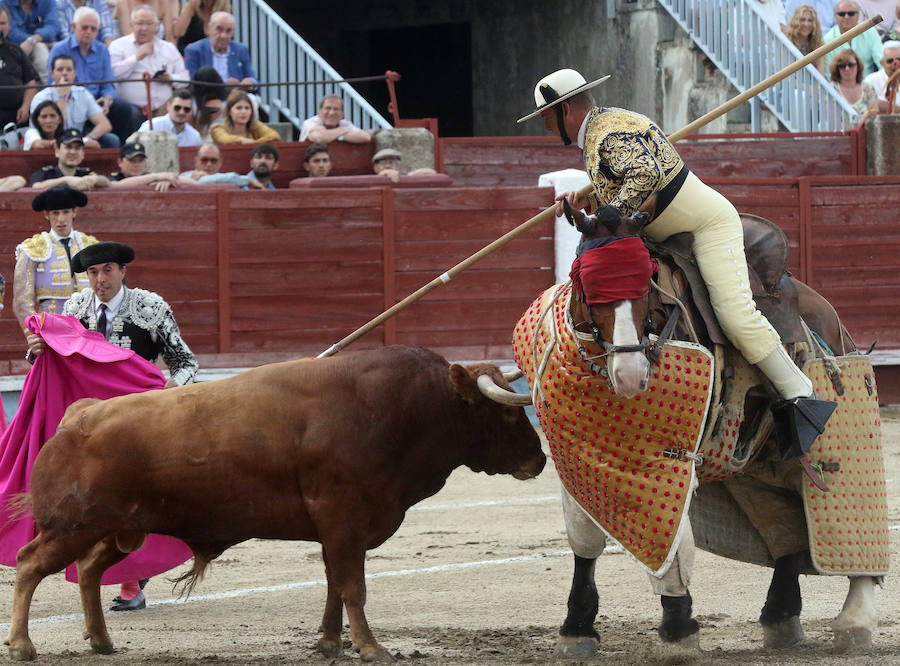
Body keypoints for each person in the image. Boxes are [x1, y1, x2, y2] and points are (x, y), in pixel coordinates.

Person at [518, 68, 834, 455]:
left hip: (706, 227)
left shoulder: (608, 136)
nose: (547, 127)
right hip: (664, 233)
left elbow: (645, 174)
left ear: (565, 109)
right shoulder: (605, 128)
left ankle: (801, 395)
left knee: (737, 315)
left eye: (547, 117)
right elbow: (627, 187)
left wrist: (606, 216)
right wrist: (592, 205)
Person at [25, 239, 198, 611]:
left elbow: (185, 363)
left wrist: (173, 388)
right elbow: (53, 359)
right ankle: (124, 574)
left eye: (106, 271)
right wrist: (35, 351)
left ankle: (131, 578)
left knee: (140, 495)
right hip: (92, 423)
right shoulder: (75, 307)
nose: (99, 279)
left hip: (141, 418)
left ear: (123, 271)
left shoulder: (150, 307)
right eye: (92, 273)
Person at [13, 185, 98, 331]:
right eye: (55, 213)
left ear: (74, 212)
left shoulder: (91, 246)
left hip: (89, 326)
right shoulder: (32, 249)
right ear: (46, 214)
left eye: (65, 212)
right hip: (50, 328)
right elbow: (22, 301)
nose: (60, 219)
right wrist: (34, 334)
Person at [48, 6, 135, 144]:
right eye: (84, 27)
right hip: (71, 101)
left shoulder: (102, 50)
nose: (88, 32)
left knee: (123, 108)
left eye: (93, 29)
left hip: (97, 102)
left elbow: (108, 84)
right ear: (74, 26)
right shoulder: (59, 49)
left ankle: (123, 152)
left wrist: (107, 99)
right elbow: (52, 83)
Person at [109, 4, 189, 117]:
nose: (144, 28)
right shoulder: (118, 45)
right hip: (133, 109)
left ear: (156, 26)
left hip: (164, 109)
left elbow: (185, 78)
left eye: (149, 24)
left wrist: (170, 78)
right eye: (140, 23)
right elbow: (113, 74)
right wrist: (136, 58)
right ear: (132, 25)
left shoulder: (168, 48)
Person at [30, 54, 116, 147]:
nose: (64, 73)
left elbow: (105, 124)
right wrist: (63, 97)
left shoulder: (83, 93)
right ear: (52, 74)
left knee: (111, 139)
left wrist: (87, 139)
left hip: (77, 141)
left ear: (74, 74)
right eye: (60, 69)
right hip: (50, 142)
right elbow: (56, 128)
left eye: (69, 70)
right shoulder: (41, 97)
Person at [183, 11, 256, 91]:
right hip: (206, 96)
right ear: (209, 28)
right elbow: (191, 83)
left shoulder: (241, 49)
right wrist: (224, 86)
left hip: (236, 97)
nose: (223, 35)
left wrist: (250, 82)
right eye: (219, 29)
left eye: (228, 31)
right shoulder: (194, 50)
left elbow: (252, 78)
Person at [29, 127, 111, 189]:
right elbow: (35, 186)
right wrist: (65, 180)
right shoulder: (46, 173)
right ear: (57, 152)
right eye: (68, 147)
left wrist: (95, 179)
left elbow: (107, 182)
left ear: (83, 154)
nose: (73, 152)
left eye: (77, 148)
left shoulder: (85, 173)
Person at [0, 4, 39, 128]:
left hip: (16, 116)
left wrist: (26, 106)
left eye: (2, 23)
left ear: (9, 26)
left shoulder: (16, 51)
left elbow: (31, 83)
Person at [2, 0, 59, 83]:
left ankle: (48, 86)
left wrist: (34, 39)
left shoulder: (47, 2)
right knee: (40, 48)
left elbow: (54, 25)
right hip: (13, 48)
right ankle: (48, 85)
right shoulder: (4, 3)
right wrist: (32, 41)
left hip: (41, 45)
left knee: (41, 48)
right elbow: (11, 32)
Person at [823, 0, 883, 74]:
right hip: (838, 85)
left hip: (869, 84)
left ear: (858, 15)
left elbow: (881, 61)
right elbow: (830, 74)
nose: (846, 17)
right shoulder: (827, 39)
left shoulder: (870, 32)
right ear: (835, 17)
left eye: (851, 13)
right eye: (842, 14)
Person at [109, 140, 197, 190]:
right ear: (120, 162)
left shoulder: (150, 176)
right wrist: (155, 177)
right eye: (132, 161)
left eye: (140, 161)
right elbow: (116, 185)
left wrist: (169, 179)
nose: (136, 165)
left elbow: (194, 183)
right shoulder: (114, 178)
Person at [179, 141, 264, 188]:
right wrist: (247, 180)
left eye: (214, 160)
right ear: (196, 161)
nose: (209, 164)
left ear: (220, 162)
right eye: (204, 160)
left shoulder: (230, 179)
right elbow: (203, 181)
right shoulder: (187, 176)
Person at [210, 88, 279, 144]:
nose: (243, 112)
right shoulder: (217, 128)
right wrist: (244, 141)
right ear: (229, 111)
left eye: (247, 108)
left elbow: (274, 136)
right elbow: (225, 140)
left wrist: (253, 143)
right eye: (239, 108)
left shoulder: (255, 125)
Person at [137, 89, 203, 146]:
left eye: (186, 109)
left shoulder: (195, 136)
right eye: (177, 108)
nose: (181, 112)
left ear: (191, 111)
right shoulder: (151, 126)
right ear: (168, 106)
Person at [299, 95, 371, 144]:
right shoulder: (310, 122)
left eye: (336, 109)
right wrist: (342, 130)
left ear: (342, 114)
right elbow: (319, 138)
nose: (331, 113)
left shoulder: (344, 124)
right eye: (328, 108)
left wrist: (339, 137)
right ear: (320, 111)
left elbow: (366, 137)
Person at [830, 48, 878, 112]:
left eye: (851, 65)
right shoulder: (831, 89)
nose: (847, 69)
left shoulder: (868, 89)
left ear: (858, 66)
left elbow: (874, 115)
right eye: (842, 66)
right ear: (837, 69)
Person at [784, 4, 826, 72]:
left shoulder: (818, 44)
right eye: (802, 20)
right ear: (795, 21)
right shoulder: (787, 42)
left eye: (810, 20)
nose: (806, 24)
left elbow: (820, 74)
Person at [863, 39, 900, 109]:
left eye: (899, 59)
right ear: (882, 63)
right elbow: (872, 107)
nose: (895, 64)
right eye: (890, 61)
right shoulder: (871, 81)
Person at [372, 147, 437, 182]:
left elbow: (432, 172)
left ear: (398, 167)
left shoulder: (405, 177)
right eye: (383, 163)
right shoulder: (371, 181)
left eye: (391, 162)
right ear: (375, 167)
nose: (388, 166)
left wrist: (409, 176)